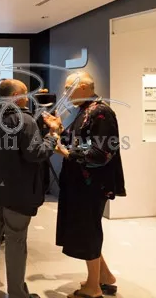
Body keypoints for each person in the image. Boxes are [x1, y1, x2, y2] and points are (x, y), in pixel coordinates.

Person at [0, 79, 61, 298]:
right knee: (16, 241)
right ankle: (17, 293)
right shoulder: (25, 120)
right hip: (17, 193)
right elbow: (35, 153)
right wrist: (52, 136)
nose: (27, 98)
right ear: (15, 96)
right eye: (25, 93)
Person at [50, 72, 126, 298]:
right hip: (82, 183)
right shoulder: (86, 110)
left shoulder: (100, 112)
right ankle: (105, 276)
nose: (65, 93)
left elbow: (101, 154)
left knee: (88, 231)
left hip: (91, 185)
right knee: (87, 229)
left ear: (83, 87)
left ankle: (93, 287)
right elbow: (76, 140)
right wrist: (58, 130)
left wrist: (66, 153)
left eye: (68, 88)